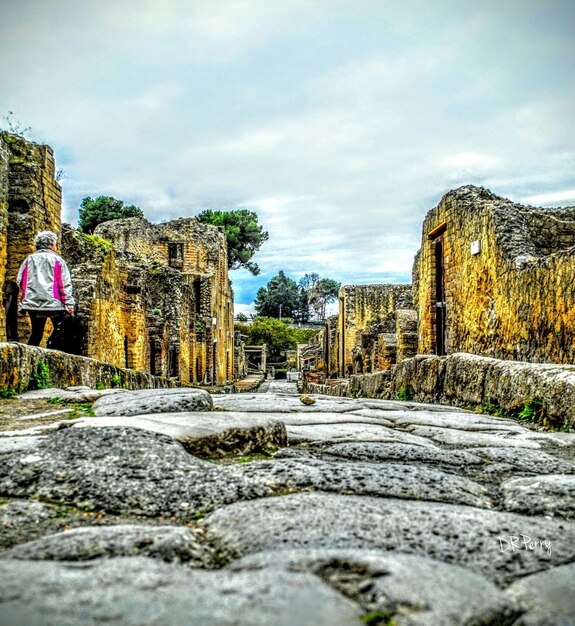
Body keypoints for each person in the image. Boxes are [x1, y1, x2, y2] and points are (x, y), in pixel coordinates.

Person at [17, 231, 75, 347]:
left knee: (36, 334)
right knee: (60, 331)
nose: (56, 247)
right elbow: (64, 285)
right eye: (55, 244)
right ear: (50, 245)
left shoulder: (29, 260)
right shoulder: (58, 261)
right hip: (54, 304)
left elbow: (20, 280)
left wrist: (31, 293)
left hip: (33, 303)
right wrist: (69, 304)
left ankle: (30, 362)